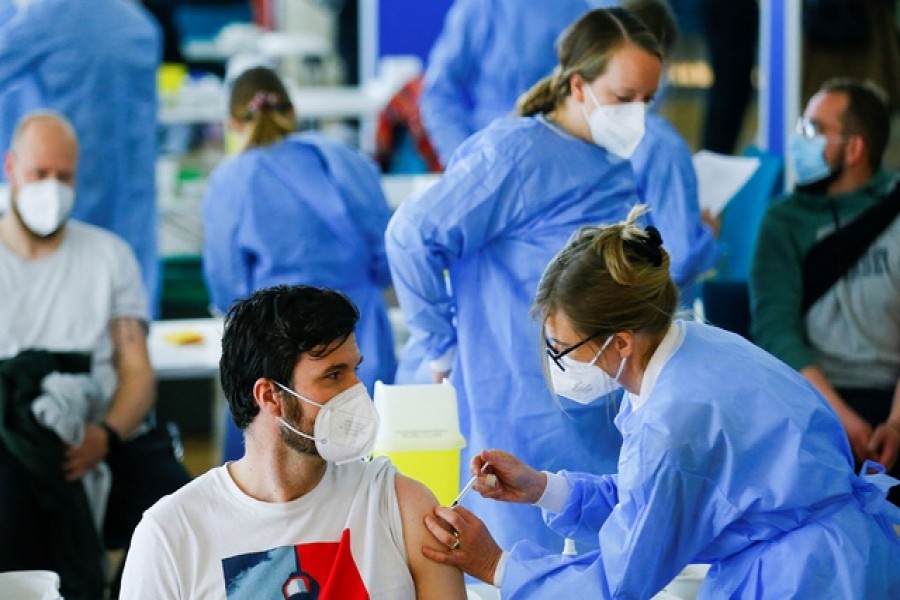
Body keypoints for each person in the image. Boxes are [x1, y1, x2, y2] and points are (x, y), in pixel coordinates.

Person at [420, 205, 900, 598]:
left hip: (806, 580)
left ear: (620, 342)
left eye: (563, 348)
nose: (556, 361)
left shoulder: (673, 420)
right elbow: (655, 501)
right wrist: (544, 488)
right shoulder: (689, 350)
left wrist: (494, 564)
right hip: (833, 555)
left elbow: (618, 580)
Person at [389, 8, 667, 551]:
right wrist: (439, 348)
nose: (638, 115)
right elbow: (410, 236)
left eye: (648, 101)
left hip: (591, 413)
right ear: (579, 85)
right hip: (516, 405)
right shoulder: (514, 153)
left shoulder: (610, 161)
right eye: (624, 98)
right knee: (516, 562)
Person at [120, 284, 467, 598]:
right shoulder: (172, 534)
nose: (355, 392)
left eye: (354, 370)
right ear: (270, 395)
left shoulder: (398, 505)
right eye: (333, 375)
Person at [0, 112, 190, 599]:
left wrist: (104, 436)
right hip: (12, 442)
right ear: (11, 168)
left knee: (175, 499)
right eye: (40, 175)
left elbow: (136, 372)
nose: (52, 189)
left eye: (64, 177)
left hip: (105, 432)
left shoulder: (108, 256)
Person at [202, 66, 397, 393]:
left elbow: (227, 286)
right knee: (372, 433)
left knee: (290, 435)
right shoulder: (345, 160)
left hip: (281, 343)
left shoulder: (230, 181)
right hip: (360, 336)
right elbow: (386, 253)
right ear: (292, 112)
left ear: (233, 123)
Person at [750, 79, 900, 499]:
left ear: (854, 148)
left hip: (893, 398)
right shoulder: (783, 222)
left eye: (814, 129)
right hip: (812, 398)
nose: (801, 139)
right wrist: (840, 417)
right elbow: (775, 330)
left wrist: (896, 425)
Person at [0, 0, 162, 311]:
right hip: (132, 187)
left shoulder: (49, 16)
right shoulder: (140, 23)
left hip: (69, 179)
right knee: (129, 298)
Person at [420, 0, 611, 168]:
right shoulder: (484, 7)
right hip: (489, 161)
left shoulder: (589, 10)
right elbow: (439, 93)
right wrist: (463, 159)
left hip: (563, 164)